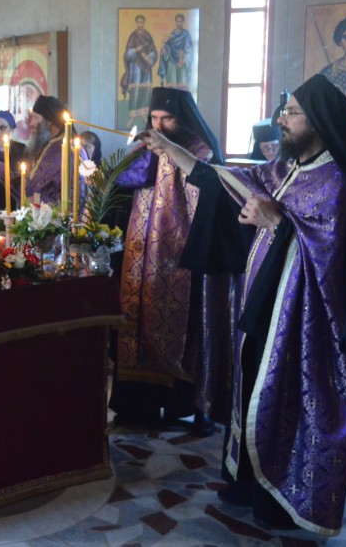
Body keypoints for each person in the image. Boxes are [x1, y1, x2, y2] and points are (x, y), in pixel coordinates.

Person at [138, 74, 346, 535]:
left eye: (292, 113)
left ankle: (280, 497)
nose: (282, 119)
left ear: (318, 122)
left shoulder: (336, 182)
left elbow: (330, 258)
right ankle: (245, 481)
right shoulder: (287, 168)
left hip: (300, 318)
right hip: (263, 303)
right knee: (251, 389)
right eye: (284, 111)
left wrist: (276, 221)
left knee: (282, 398)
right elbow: (224, 180)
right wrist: (170, 149)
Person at [112, 87, 230, 436]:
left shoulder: (200, 150)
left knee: (187, 327)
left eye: (167, 119)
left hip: (181, 256)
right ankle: (140, 406)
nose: (159, 126)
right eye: (154, 118)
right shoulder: (147, 147)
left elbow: (210, 190)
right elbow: (126, 179)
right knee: (136, 321)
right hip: (141, 253)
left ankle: (191, 407)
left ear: (183, 119)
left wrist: (168, 152)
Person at [23, 96, 85, 209]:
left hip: (59, 219)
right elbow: (31, 185)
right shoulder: (45, 145)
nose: (31, 123)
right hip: (35, 216)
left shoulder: (70, 150)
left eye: (35, 117)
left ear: (49, 120)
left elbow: (75, 196)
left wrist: (38, 201)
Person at [120, 14, 158, 113]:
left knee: (146, 87)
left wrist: (149, 57)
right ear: (136, 23)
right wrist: (136, 49)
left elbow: (153, 50)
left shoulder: (148, 36)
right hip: (136, 65)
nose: (140, 24)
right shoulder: (133, 36)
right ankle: (134, 111)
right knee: (136, 87)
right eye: (138, 22)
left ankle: (144, 111)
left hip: (146, 65)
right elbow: (127, 54)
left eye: (142, 22)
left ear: (144, 23)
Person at [158, 13, 193, 89]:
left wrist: (184, 60)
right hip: (172, 64)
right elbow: (166, 51)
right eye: (177, 21)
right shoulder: (171, 36)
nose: (179, 23)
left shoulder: (186, 35)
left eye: (180, 21)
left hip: (182, 63)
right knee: (171, 88)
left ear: (183, 22)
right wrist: (164, 46)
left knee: (182, 88)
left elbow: (190, 50)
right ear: (175, 22)